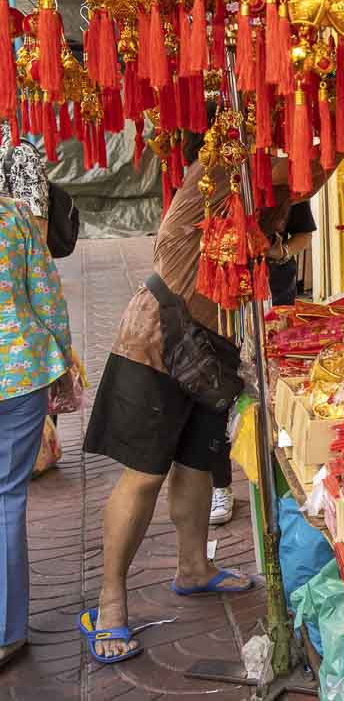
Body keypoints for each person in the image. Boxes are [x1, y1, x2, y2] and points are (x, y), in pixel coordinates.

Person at [80, 146, 330, 664]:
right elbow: (298, 175)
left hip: (214, 345)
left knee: (196, 464)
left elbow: (296, 199)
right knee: (145, 474)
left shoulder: (271, 190)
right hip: (160, 336)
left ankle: (193, 568)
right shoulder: (227, 162)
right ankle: (109, 604)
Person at [209, 202, 315, 527]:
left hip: (273, 288)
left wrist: (279, 252)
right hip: (220, 291)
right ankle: (220, 485)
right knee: (219, 389)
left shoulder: (285, 181)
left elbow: (305, 235)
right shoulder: (212, 183)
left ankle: (279, 469)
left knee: (275, 378)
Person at [0, 196, 71, 669]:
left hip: (21, 373)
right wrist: (63, 357)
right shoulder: (13, 215)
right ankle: (7, 632)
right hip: (21, 369)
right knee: (6, 498)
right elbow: (46, 292)